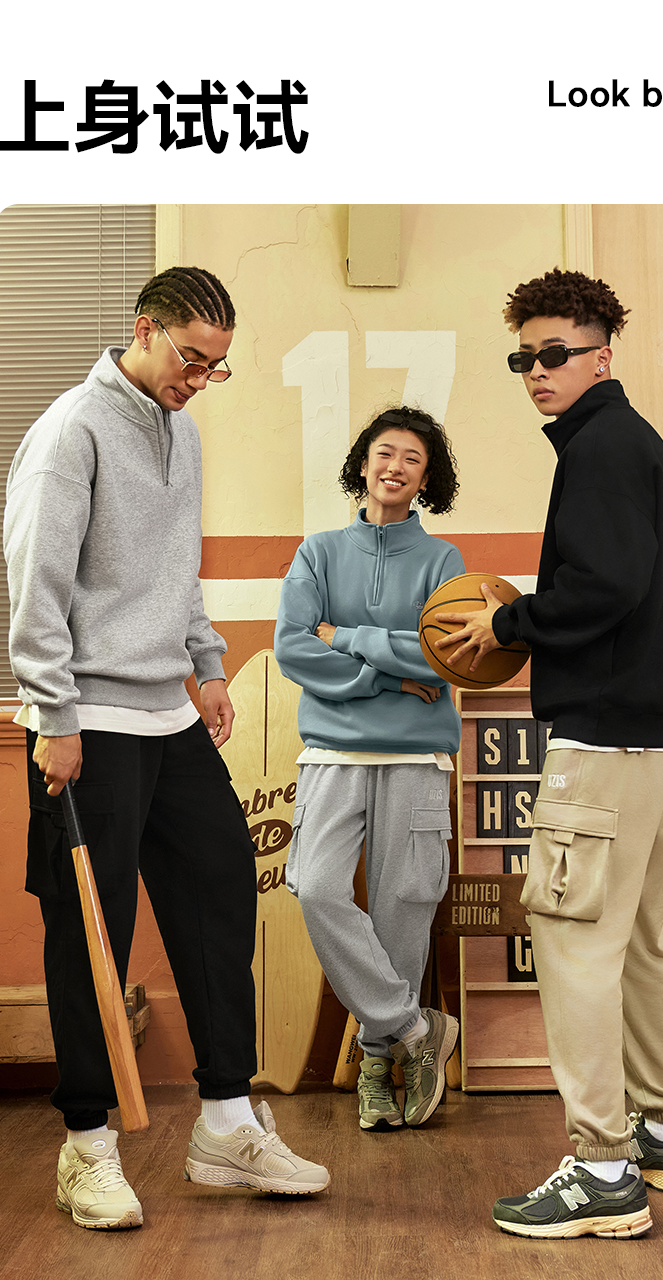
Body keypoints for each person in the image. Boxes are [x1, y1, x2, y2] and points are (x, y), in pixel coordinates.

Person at [3, 265, 329, 1231]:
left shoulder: (180, 430)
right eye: (191, 359)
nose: (199, 380)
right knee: (88, 930)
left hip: (167, 713)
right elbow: (35, 577)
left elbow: (177, 565)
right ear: (144, 329)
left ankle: (226, 1121)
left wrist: (207, 661)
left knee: (223, 886)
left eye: (216, 367)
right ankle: (87, 1144)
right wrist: (53, 713)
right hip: (89, 720)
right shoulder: (71, 431)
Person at [434, 268, 663, 1239]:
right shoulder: (630, 445)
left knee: (573, 941)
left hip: (604, 737)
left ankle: (602, 1167)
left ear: (602, 356)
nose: (537, 372)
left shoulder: (600, 448)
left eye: (554, 354)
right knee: (632, 938)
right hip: (654, 736)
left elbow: (605, 585)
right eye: (523, 358)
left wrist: (506, 622)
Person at [274, 407, 462, 1132]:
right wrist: (390, 673)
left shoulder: (443, 561)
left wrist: (348, 637)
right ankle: (414, 1029)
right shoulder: (319, 552)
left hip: (417, 754)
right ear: (362, 463)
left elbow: (443, 656)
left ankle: (378, 1062)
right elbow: (294, 647)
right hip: (332, 751)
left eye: (413, 458)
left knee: (404, 907)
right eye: (385, 452)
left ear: (427, 479)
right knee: (316, 885)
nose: (395, 467)